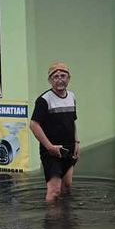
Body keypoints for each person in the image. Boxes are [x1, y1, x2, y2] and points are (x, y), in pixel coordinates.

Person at [30, 62, 80, 202]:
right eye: (55, 76)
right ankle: (52, 222)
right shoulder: (44, 100)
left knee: (67, 185)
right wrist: (49, 147)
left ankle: (65, 218)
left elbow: (72, 121)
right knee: (54, 191)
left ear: (69, 78)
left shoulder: (72, 96)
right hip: (51, 150)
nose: (59, 79)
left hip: (69, 148)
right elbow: (34, 125)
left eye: (63, 76)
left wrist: (77, 142)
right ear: (50, 80)